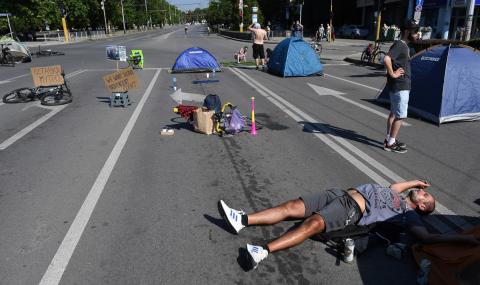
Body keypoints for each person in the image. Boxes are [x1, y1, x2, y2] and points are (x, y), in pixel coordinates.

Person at [218, 180, 480, 269]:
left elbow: (427, 238)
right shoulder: (397, 195)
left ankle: (262, 251)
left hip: (353, 208)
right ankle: (241, 220)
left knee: (311, 224)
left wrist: (465, 240)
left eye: (425, 196)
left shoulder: (408, 215)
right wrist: (417, 183)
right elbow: (396, 186)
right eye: (424, 192)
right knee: (290, 207)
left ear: (422, 207)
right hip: (340, 193)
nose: (422, 193)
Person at [383, 20, 420, 153]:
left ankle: (389, 139)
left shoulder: (404, 46)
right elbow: (386, 59)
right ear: (407, 32)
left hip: (397, 86)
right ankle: (391, 143)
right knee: (401, 115)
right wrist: (393, 74)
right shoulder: (400, 45)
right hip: (400, 86)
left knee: (394, 113)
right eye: (415, 31)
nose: (418, 34)